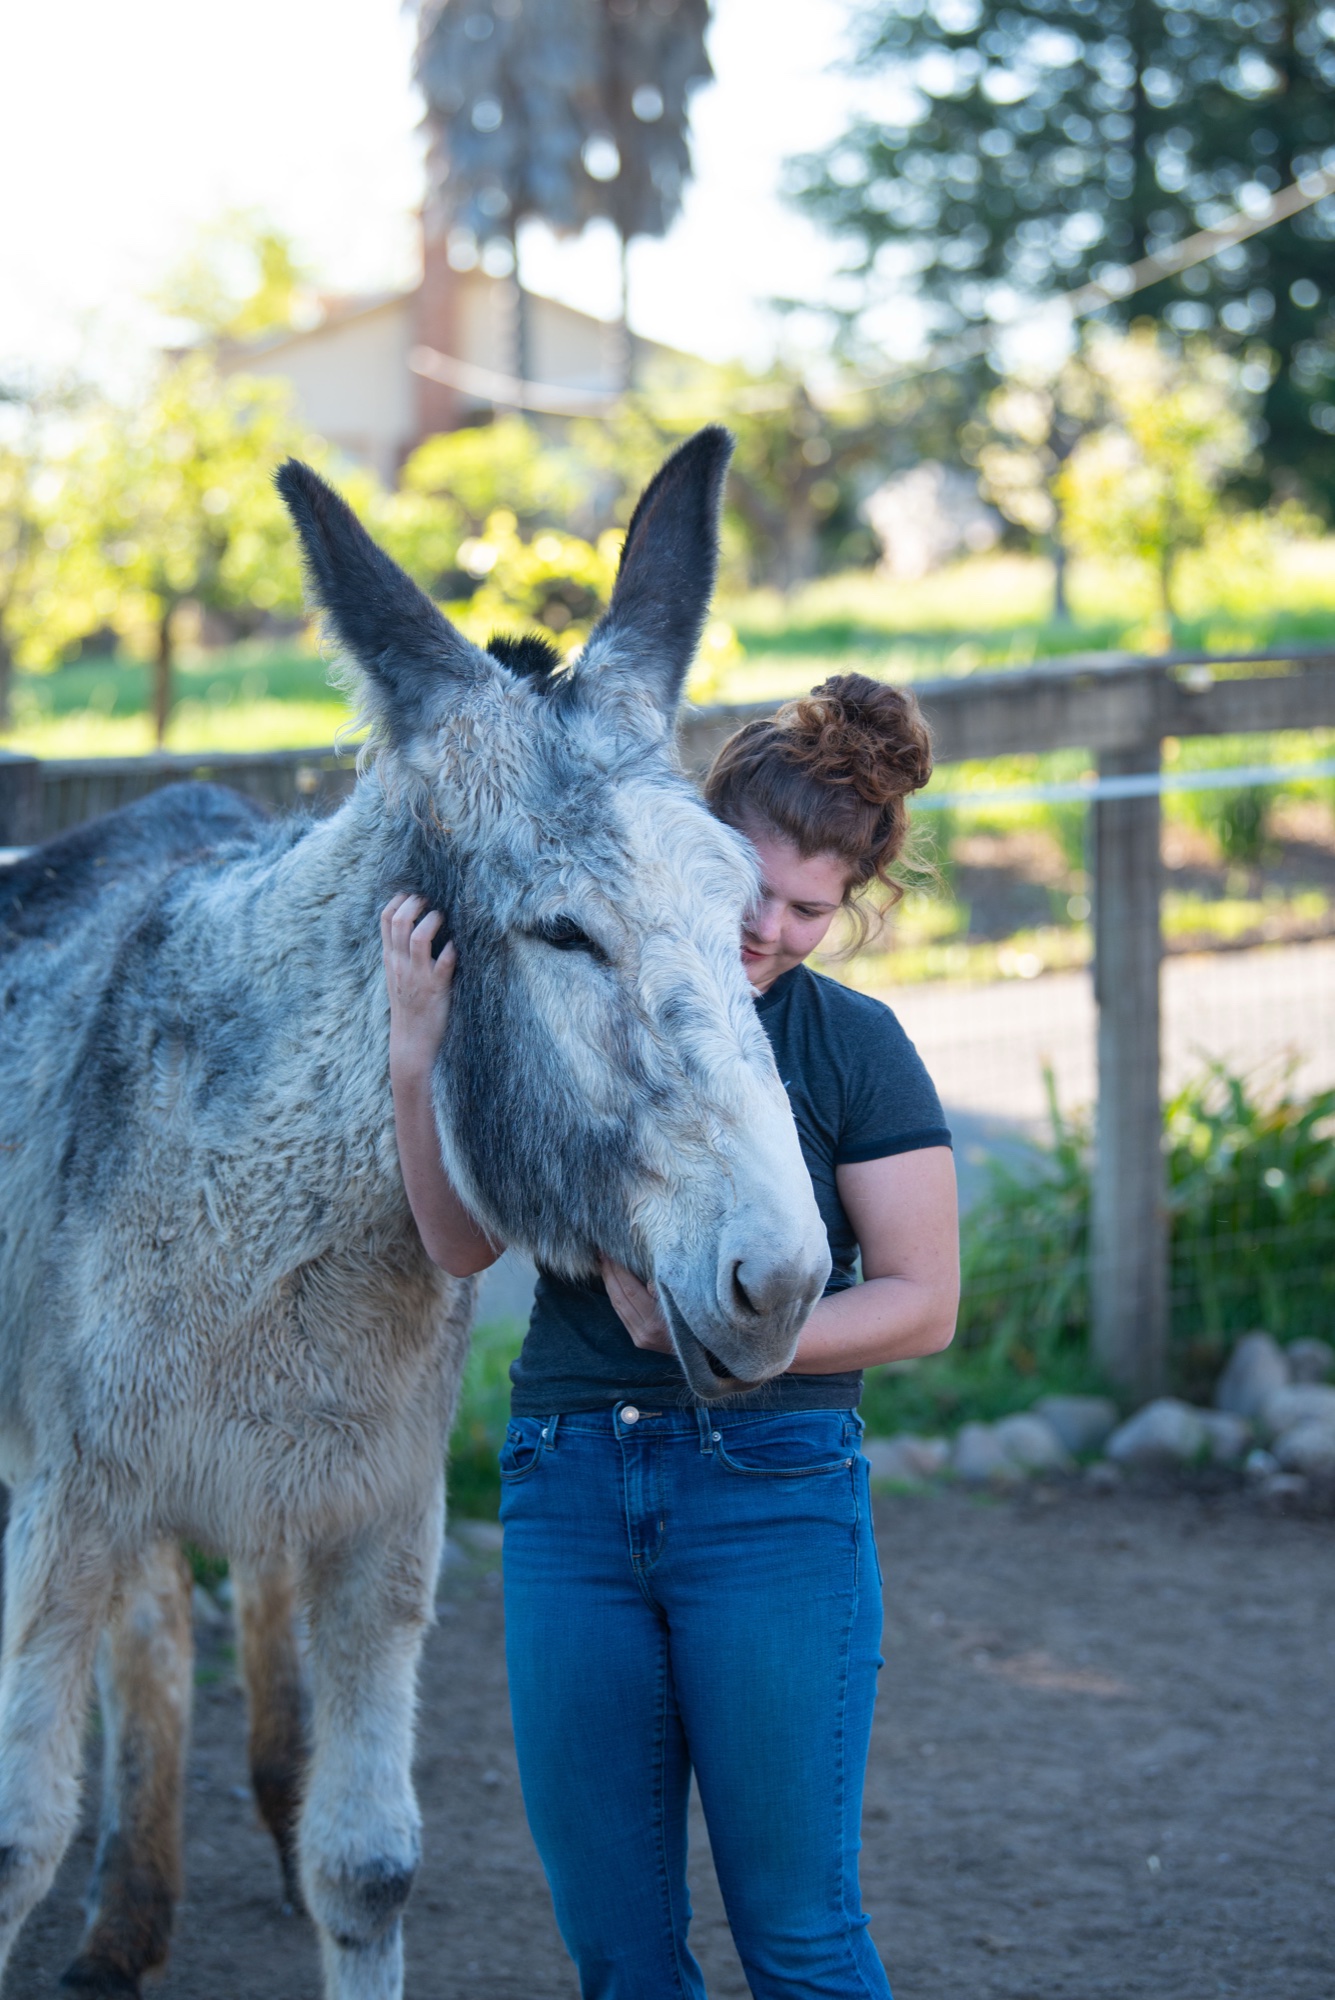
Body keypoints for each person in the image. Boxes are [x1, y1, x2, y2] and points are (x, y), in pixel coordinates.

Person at [382, 672, 959, 2000]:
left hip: (771, 1499)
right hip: (570, 1486)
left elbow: (924, 1303)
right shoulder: (562, 999)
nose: (765, 927)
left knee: (799, 1937)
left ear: (850, 911)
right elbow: (459, 1245)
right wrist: (420, 1050)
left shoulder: (853, 1048)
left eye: (810, 911)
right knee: (620, 1953)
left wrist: (730, 1335)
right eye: (748, 885)